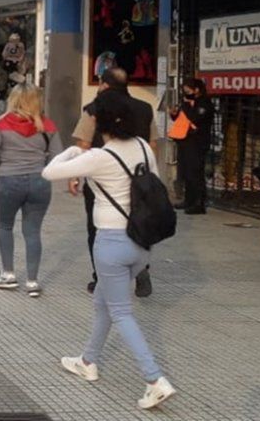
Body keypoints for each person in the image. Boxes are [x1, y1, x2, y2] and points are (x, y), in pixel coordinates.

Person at [43, 90, 177, 410]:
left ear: (101, 122)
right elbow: (153, 186)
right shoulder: (144, 147)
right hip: (141, 244)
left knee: (120, 312)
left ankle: (154, 379)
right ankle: (88, 361)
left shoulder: (99, 157)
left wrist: (73, 152)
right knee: (104, 302)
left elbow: (49, 172)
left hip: (111, 244)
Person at [70, 67, 158, 296]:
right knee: (137, 222)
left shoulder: (94, 108)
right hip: (138, 181)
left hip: (103, 183)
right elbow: (152, 146)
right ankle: (140, 268)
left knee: (98, 228)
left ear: (104, 84)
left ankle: (101, 278)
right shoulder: (145, 108)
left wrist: (74, 176)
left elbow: (83, 144)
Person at [0, 83, 62, 297]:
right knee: (33, 231)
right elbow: (57, 156)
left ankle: (8, 275)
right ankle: (32, 282)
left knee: (5, 226)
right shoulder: (48, 125)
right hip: (39, 182)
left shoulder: (1, 123)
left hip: (8, 180)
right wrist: (41, 167)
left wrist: (5, 162)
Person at [168, 78, 213, 215]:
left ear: (197, 90)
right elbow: (180, 118)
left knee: (195, 173)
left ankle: (198, 203)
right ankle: (188, 200)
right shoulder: (187, 103)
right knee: (186, 173)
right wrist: (174, 113)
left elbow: (195, 118)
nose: (185, 93)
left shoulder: (204, 104)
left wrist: (187, 106)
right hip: (185, 141)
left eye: (188, 90)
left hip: (198, 143)